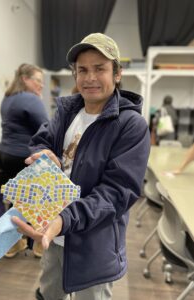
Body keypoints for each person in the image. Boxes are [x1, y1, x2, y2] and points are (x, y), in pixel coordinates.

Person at [12, 33, 150, 300]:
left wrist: (64, 220)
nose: (89, 78)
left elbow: (116, 193)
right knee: (48, 293)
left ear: (117, 73)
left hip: (94, 245)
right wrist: (41, 153)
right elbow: (41, 140)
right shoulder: (67, 110)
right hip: (52, 234)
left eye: (100, 68)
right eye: (82, 70)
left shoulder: (131, 125)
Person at [0, 63, 49, 258]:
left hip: (5, 155)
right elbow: (47, 128)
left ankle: (14, 244)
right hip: (23, 157)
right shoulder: (30, 99)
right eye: (38, 81)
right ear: (25, 79)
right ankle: (37, 245)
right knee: (37, 201)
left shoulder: (8, 98)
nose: (41, 86)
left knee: (17, 201)